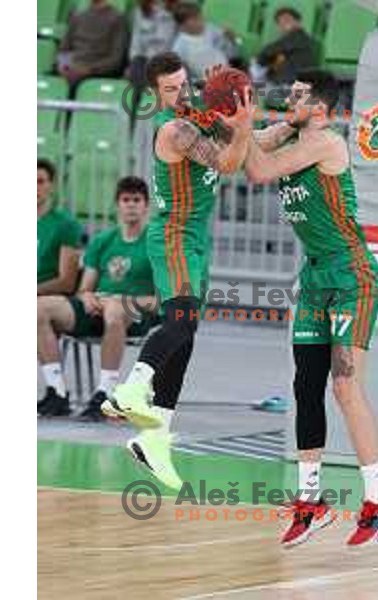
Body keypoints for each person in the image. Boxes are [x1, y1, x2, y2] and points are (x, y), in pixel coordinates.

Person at [244, 71, 378, 548]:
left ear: (319, 106)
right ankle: (311, 503)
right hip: (314, 277)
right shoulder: (288, 132)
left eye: (296, 95)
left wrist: (240, 119)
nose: (287, 99)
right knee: (305, 385)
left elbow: (257, 170)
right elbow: (240, 152)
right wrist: (209, 123)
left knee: (345, 385)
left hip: (351, 274)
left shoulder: (327, 142)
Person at [100, 53, 252, 489]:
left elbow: (251, 139)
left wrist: (255, 118)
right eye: (171, 89)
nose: (181, 92)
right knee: (181, 321)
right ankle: (130, 390)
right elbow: (227, 162)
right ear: (156, 95)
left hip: (195, 241)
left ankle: (156, 437)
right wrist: (240, 128)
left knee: (186, 334)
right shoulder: (176, 128)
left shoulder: (199, 114)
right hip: (174, 235)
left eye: (184, 84)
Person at [37, 177, 157, 418]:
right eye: (125, 200)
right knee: (38, 308)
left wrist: (120, 302)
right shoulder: (103, 240)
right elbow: (85, 288)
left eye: (137, 200)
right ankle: (57, 392)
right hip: (96, 307)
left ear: (146, 206)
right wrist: (88, 296)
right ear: (117, 205)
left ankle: (105, 394)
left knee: (114, 309)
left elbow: (159, 299)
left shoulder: (157, 243)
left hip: (134, 312)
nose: (131, 205)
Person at [57, 0, 129, 88]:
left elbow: (116, 58)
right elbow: (64, 48)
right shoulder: (78, 16)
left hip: (96, 71)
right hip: (73, 68)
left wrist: (90, 69)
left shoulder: (118, 18)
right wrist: (64, 66)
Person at [37, 159, 82, 296]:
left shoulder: (65, 224)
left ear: (51, 186)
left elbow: (66, 282)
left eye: (40, 182)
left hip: (44, 300)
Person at [255, 7, 317, 105]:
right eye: (280, 22)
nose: (284, 23)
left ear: (298, 22)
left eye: (288, 20)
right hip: (285, 86)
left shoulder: (300, 38)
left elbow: (265, 53)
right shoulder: (287, 44)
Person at [171, 2, 238, 80]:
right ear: (182, 26)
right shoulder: (180, 46)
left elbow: (229, 50)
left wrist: (232, 40)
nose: (201, 21)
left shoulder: (210, 29)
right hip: (206, 82)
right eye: (195, 19)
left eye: (200, 17)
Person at [126, 0, 178, 102]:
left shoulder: (176, 11)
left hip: (167, 59)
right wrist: (131, 62)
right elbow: (136, 42)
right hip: (144, 60)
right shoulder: (140, 11)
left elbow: (177, 44)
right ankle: (137, 108)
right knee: (137, 63)